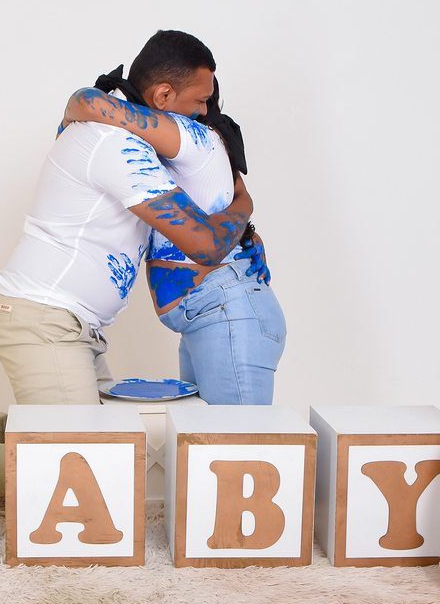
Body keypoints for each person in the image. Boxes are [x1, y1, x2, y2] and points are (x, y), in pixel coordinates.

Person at [0, 30, 255, 407]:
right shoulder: (117, 144)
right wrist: (244, 204)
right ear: (163, 95)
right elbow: (205, 246)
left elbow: (82, 102)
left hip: (70, 322)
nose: (204, 113)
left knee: (107, 436)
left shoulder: (118, 131)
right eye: (200, 101)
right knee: (77, 444)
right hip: (47, 316)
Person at [60, 71, 286, 404]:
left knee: (236, 436)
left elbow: (86, 102)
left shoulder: (197, 136)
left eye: (203, 102)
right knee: (204, 435)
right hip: (210, 314)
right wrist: (245, 217)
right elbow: (234, 195)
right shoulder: (166, 149)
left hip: (226, 311)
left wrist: (245, 213)